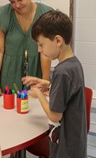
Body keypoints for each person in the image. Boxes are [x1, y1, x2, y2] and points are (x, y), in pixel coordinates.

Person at [22, 10, 87, 158]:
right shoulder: (74, 63)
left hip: (65, 148)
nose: (39, 49)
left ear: (58, 41)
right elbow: (69, 89)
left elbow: (55, 116)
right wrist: (44, 82)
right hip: (76, 142)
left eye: (41, 44)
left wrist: (39, 94)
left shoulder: (62, 72)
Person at [0, 0, 52, 100]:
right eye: (12, 2)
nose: (17, 5)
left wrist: (45, 82)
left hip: (36, 74)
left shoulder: (45, 15)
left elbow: (45, 53)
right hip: (9, 74)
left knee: (34, 112)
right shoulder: (2, 16)